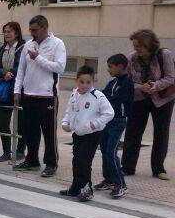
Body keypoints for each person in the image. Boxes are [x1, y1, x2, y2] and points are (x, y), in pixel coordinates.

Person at [13, 15, 67, 177]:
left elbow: (59, 67)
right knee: (30, 131)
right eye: (30, 30)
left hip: (47, 96)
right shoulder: (28, 45)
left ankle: (51, 163)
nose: (32, 33)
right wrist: (17, 90)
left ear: (44, 28)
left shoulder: (57, 44)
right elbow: (21, 70)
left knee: (49, 132)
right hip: (29, 94)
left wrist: (38, 58)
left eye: (35, 30)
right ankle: (32, 160)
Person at [121, 29, 175, 180]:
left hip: (163, 98)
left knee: (161, 132)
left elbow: (171, 77)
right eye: (134, 46)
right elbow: (127, 81)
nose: (136, 49)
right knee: (133, 131)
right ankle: (127, 167)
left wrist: (155, 86)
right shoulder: (131, 58)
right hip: (140, 98)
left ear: (149, 45)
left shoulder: (165, 55)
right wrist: (141, 87)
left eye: (139, 46)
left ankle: (158, 169)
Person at [60, 66, 114, 201]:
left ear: (92, 81)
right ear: (76, 80)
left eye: (88, 82)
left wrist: (93, 124)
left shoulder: (97, 96)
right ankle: (76, 187)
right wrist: (66, 123)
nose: (85, 85)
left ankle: (87, 189)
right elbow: (69, 111)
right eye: (82, 82)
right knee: (76, 161)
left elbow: (109, 113)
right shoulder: (74, 94)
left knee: (84, 162)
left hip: (92, 134)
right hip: (78, 133)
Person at [95, 54, 134, 198]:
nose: (108, 69)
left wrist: (102, 102)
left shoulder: (127, 83)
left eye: (110, 67)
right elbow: (102, 95)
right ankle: (109, 179)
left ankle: (121, 184)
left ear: (120, 67)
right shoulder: (113, 82)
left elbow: (114, 100)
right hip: (107, 121)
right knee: (105, 150)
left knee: (111, 152)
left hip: (118, 121)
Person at [0, 21, 26, 162]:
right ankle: (7, 151)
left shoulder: (23, 48)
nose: (6, 34)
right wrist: (3, 73)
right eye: (5, 31)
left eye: (9, 31)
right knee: (3, 122)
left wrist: (10, 73)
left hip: (20, 88)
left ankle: (20, 151)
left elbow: (22, 66)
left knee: (21, 122)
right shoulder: (1, 50)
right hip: (4, 89)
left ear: (16, 33)